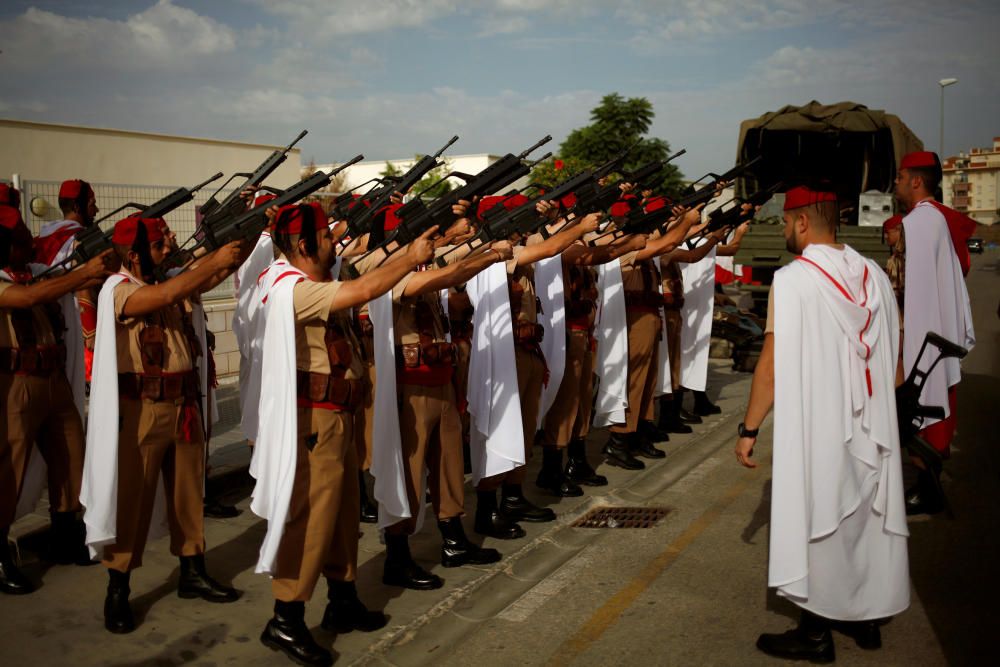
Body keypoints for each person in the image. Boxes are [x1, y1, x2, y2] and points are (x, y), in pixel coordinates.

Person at [251, 203, 437, 666]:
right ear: (302, 244)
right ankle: (286, 617)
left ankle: (343, 597)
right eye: (326, 236)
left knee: (342, 516)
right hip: (316, 420)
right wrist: (411, 256)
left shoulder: (309, 283)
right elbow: (364, 289)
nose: (335, 242)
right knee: (312, 519)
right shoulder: (290, 287)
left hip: (339, 414)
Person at [735, 186, 909, 661]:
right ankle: (867, 618)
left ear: (803, 222)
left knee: (820, 517)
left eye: (786, 223)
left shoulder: (793, 280)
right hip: (873, 419)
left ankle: (815, 634)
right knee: (865, 517)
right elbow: (895, 364)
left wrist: (749, 430)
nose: (784, 231)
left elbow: (769, 366)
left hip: (821, 420)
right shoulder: (873, 273)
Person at [82, 216, 247, 634]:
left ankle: (192, 568)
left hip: (182, 402)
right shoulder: (117, 290)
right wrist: (210, 265)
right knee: (132, 502)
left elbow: (201, 280)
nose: (166, 251)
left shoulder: (163, 280)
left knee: (188, 494)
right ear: (134, 255)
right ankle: (118, 585)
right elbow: (169, 292)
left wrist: (235, 245)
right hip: (143, 409)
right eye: (158, 246)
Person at [0, 205, 114, 594]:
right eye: (17, 242)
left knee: (70, 457)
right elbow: (29, 298)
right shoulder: (8, 281)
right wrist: (83, 273)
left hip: (51, 379)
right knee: (8, 471)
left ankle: (66, 534)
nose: (27, 245)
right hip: (16, 384)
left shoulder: (32, 271)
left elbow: (55, 282)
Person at [891, 151, 975, 514]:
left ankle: (927, 489)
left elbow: (911, 287)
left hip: (919, 329)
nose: (895, 183)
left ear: (915, 180)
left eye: (899, 177)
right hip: (928, 327)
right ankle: (928, 487)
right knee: (919, 404)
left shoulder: (921, 224)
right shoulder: (934, 220)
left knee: (912, 403)